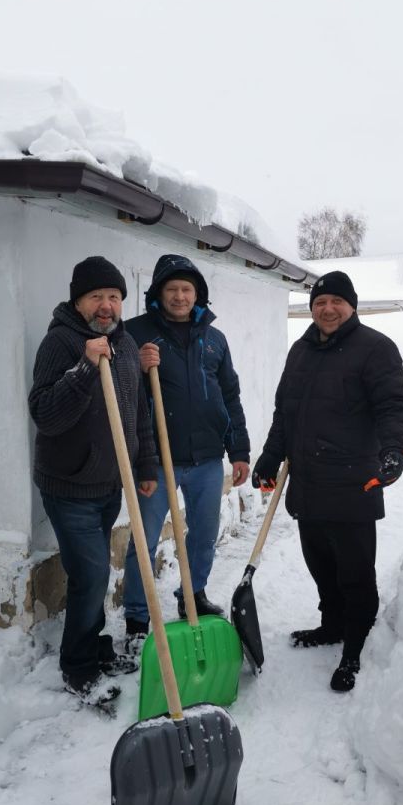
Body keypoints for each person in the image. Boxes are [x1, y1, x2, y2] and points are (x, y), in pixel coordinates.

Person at [252, 271, 403, 693]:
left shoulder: (375, 349)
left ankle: (355, 647)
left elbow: (393, 406)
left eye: (337, 301)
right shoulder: (300, 351)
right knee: (321, 565)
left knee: (355, 573)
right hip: (308, 483)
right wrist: (270, 457)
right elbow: (284, 412)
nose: (328, 309)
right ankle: (333, 625)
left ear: (351, 305)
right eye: (320, 302)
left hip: (353, 482)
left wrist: (395, 449)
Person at [28, 256, 158, 709]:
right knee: (92, 574)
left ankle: (94, 646)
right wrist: (84, 369)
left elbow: (136, 412)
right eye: (97, 297)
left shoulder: (123, 343)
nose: (106, 306)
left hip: (109, 484)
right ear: (77, 299)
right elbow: (46, 415)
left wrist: (145, 467)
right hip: (69, 485)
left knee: (93, 575)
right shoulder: (61, 343)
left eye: (114, 297)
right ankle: (78, 665)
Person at [121, 254, 250, 647]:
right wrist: (136, 368)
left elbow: (230, 395)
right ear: (159, 292)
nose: (180, 296)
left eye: (187, 289)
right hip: (155, 461)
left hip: (208, 459)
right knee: (143, 540)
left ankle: (192, 596)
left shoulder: (215, 339)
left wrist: (239, 450)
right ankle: (137, 619)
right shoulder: (133, 333)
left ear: (198, 295)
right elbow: (114, 392)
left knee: (203, 535)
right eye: (172, 289)